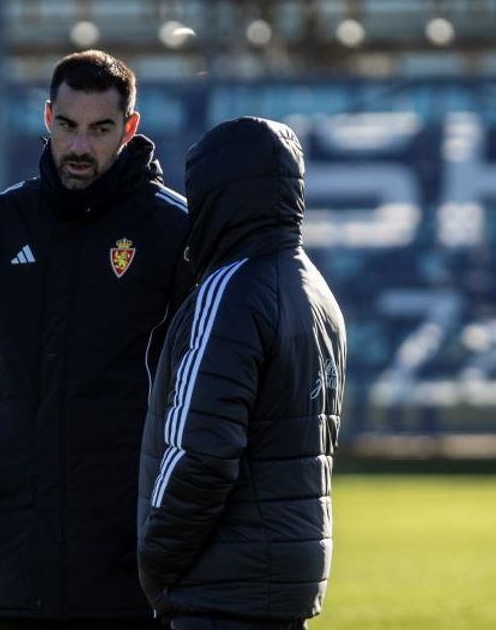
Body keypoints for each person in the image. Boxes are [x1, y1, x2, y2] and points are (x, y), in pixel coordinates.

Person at [0, 50, 193, 629]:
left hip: (131, 550)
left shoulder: (173, 230)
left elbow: (203, 379)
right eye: (67, 125)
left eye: (100, 129)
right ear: (47, 117)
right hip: (22, 546)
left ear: (129, 128)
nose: (79, 146)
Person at [136, 117, 347, 630]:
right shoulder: (318, 294)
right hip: (290, 580)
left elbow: (200, 453)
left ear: (217, 194)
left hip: (221, 587)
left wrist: (155, 561)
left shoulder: (228, 292)